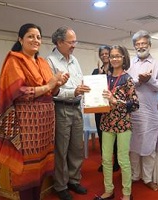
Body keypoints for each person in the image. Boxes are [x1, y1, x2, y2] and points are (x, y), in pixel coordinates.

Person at [0, 23, 69, 200]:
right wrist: (49, 85)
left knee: (40, 168)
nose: (35, 40)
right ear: (20, 39)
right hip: (26, 123)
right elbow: (18, 92)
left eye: (39, 37)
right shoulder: (14, 60)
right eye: (30, 36)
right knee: (26, 168)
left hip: (45, 123)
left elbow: (51, 92)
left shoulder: (42, 62)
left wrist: (57, 84)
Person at [47, 26, 90, 200]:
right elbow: (53, 91)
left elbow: (80, 82)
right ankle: (61, 185)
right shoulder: (49, 61)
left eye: (75, 41)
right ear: (59, 42)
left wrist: (83, 91)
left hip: (77, 107)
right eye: (71, 42)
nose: (74, 45)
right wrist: (74, 92)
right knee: (61, 150)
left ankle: (74, 179)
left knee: (76, 148)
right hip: (61, 108)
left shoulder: (75, 60)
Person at [94, 45, 139, 200]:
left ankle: (127, 194)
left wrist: (115, 100)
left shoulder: (128, 79)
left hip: (123, 124)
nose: (114, 59)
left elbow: (134, 105)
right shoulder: (103, 78)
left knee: (123, 160)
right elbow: (97, 98)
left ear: (124, 58)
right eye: (111, 56)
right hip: (106, 123)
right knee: (106, 159)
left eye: (117, 56)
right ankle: (109, 190)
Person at [127, 30, 158, 191]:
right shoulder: (129, 64)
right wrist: (139, 80)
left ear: (150, 45)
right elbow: (126, 85)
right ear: (134, 46)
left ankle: (147, 178)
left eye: (144, 43)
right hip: (133, 113)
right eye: (137, 44)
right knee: (133, 147)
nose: (140, 46)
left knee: (149, 148)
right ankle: (134, 176)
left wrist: (150, 80)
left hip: (150, 113)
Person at [92, 45, 119, 173]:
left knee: (114, 137)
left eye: (106, 53)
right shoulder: (95, 71)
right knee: (102, 137)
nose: (104, 56)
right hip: (99, 109)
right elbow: (92, 90)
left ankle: (117, 161)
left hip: (113, 109)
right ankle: (105, 162)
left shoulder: (116, 70)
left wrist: (106, 77)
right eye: (102, 54)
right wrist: (99, 76)